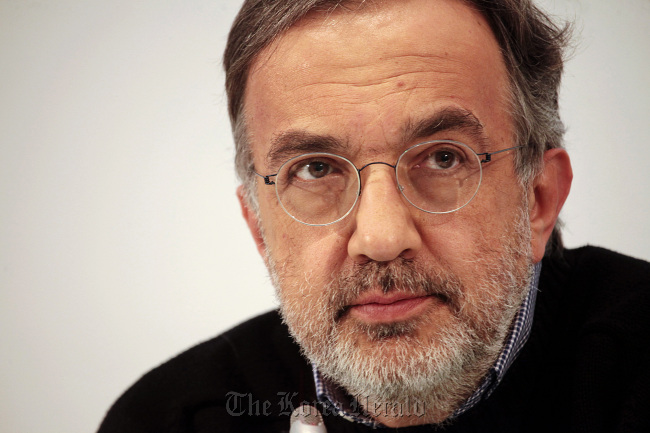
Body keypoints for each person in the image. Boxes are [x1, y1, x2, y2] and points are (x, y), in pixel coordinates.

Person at [97, 0, 650, 431]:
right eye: (315, 170)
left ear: (538, 199)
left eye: (442, 158)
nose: (382, 237)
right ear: (258, 226)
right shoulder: (168, 419)